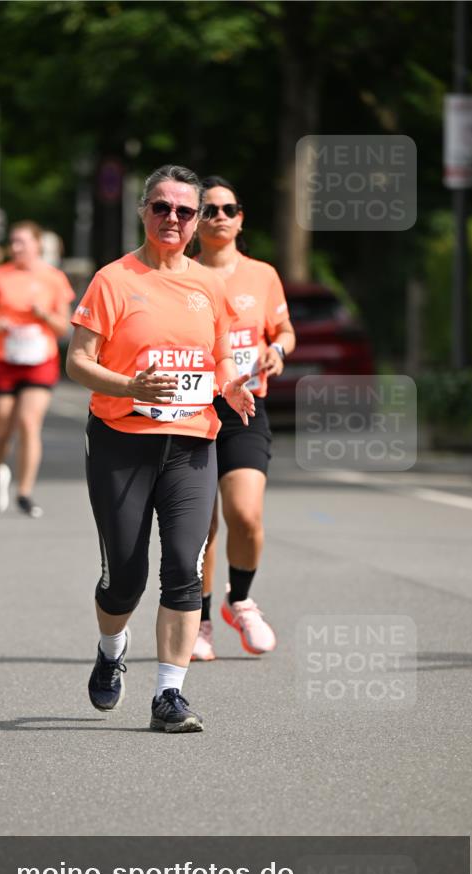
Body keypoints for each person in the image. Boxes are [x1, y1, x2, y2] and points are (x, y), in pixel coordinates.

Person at [66, 164, 255, 733]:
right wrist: (129, 387)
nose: (172, 218)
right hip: (121, 441)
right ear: (143, 211)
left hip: (193, 444)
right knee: (124, 578)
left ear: (197, 222)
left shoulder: (209, 285)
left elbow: (221, 355)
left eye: (185, 210)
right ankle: (110, 647)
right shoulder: (113, 280)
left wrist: (231, 383)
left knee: (183, 569)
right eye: (161, 207)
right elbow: (77, 361)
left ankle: (169, 696)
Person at [191, 176, 296, 661]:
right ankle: (202, 620)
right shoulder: (180, 273)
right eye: (208, 209)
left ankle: (241, 600)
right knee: (203, 526)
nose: (219, 217)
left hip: (245, 407)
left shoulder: (262, 274)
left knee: (246, 516)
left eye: (227, 209)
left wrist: (275, 349)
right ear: (195, 220)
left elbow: (285, 330)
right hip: (192, 408)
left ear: (240, 218)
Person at [0, 220, 75, 517]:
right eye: (13, 242)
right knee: (1, 430)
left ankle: (24, 492)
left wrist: (43, 314)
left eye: (22, 241)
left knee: (29, 424)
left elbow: (63, 328)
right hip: (4, 358)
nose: (16, 247)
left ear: (37, 245)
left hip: (39, 359)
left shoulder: (54, 278)